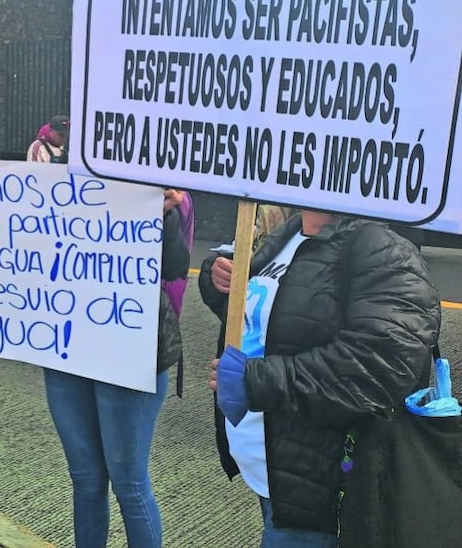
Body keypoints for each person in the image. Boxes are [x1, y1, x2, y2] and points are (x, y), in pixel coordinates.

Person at [198, 211, 440, 546]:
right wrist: (219, 282)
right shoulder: (291, 232)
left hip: (323, 488)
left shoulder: (382, 248)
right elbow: (275, 320)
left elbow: (380, 364)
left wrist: (258, 381)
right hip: (272, 468)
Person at [44, 188, 191, 548]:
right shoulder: (56, 178)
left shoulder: (164, 190)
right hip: (68, 344)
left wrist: (164, 217)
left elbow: (174, 268)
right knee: (86, 478)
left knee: (129, 482)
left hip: (130, 345)